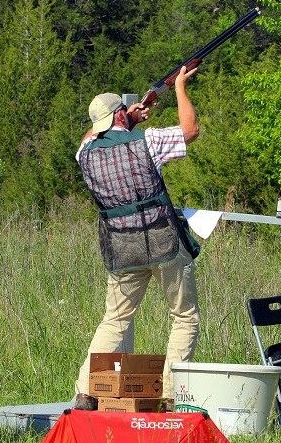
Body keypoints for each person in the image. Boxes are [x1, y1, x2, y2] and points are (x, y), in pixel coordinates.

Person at [73, 65, 202, 409]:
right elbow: (190, 130)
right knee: (184, 316)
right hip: (164, 243)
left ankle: (86, 390)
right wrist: (179, 88)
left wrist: (124, 118)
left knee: (115, 320)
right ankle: (169, 395)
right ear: (120, 114)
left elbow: (90, 136)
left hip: (122, 248)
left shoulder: (85, 154)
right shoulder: (148, 140)